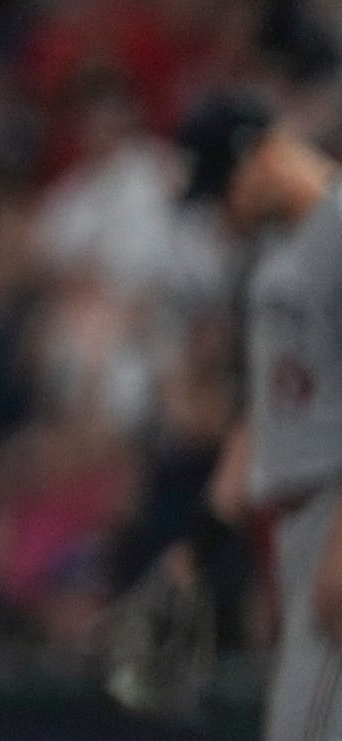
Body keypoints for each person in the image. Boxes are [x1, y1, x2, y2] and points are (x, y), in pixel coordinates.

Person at [176, 90, 342, 739]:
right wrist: (198, 544)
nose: (221, 211)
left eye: (223, 187)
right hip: (297, 522)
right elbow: (264, 413)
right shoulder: (273, 251)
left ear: (259, 157)